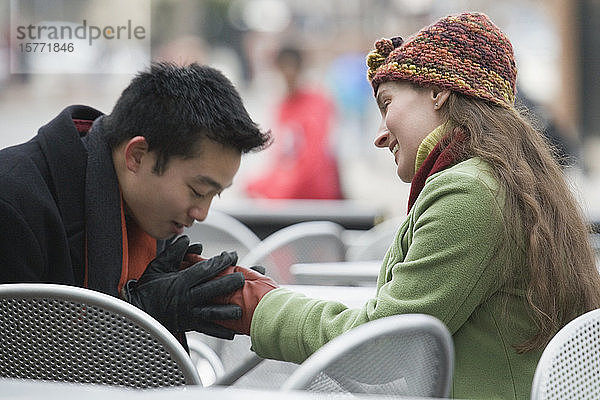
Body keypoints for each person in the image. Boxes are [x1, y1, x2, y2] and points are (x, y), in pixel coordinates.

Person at [209, 13, 600, 399]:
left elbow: (383, 345)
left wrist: (250, 303)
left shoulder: (470, 194)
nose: (379, 136)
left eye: (387, 103)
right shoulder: (502, 179)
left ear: (438, 91)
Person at [0, 62, 271, 346]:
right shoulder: (13, 204)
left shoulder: (142, 205)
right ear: (137, 155)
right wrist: (140, 318)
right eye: (197, 190)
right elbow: (20, 368)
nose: (201, 214)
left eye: (215, 195)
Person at [244, 45, 343, 199]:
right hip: (292, 192)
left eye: (292, 67)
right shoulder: (281, 106)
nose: (288, 73)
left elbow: (313, 158)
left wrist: (277, 192)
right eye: (284, 67)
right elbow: (283, 157)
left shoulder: (317, 102)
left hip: (316, 193)